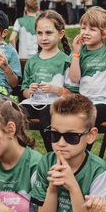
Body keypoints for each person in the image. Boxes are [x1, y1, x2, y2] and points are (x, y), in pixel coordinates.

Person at [33, 94, 106, 212]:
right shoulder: (46, 162)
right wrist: (52, 189)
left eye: (71, 137)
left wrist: (73, 188)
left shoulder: (98, 171)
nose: (61, 143)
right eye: (54, 134)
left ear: (90, 135)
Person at [20, 10, 73, 151]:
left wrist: (55, 89)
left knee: (46, 114)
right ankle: (20, 153)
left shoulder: (65, 61)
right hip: (33, 103)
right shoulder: (32, 61)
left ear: (60, 34)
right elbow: (24, 91)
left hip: (55, 105)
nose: (43, 38)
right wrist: (29, 91)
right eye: (39, 33)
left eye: (49, 33)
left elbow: (73, 94)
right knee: (12, 113)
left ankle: (55, 154)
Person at [69, 6, 106, 126]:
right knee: (66, 117)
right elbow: (74, 79)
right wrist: (76, 53)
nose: (86, 32)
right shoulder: (78, 53)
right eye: (83, 28)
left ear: (104, 34)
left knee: (84, 118)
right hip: (85, 102)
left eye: (92, 29)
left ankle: (81, 139)